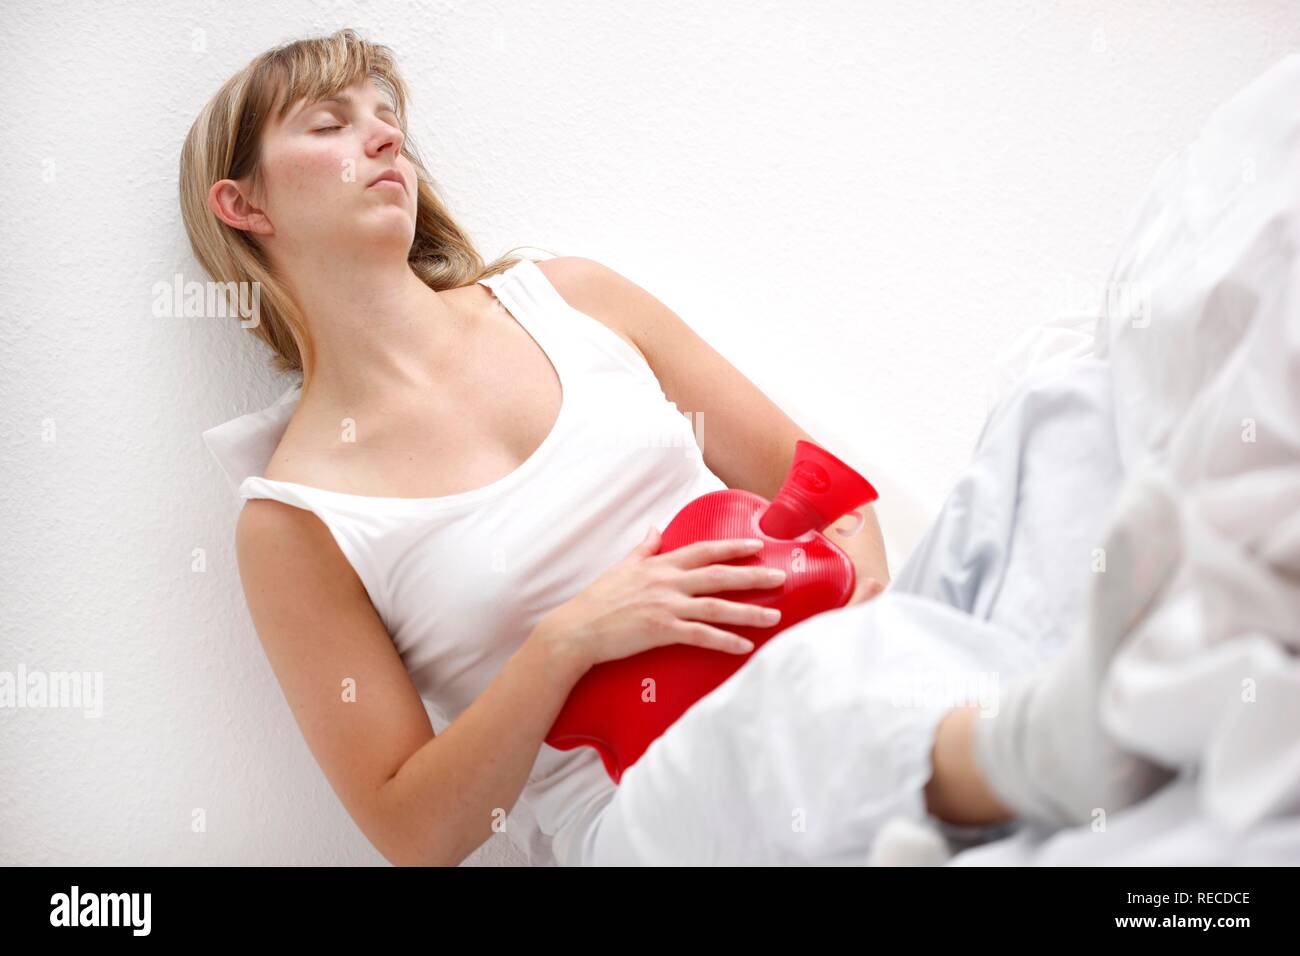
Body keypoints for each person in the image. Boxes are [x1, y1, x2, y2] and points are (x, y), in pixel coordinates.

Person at [185, 28, 939, 867]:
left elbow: (825, 487)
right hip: (655, 816)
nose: (385, 136)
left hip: (834, 703)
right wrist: (569, 639)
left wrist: (866, 609)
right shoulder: (298, 519)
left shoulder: (572, 300)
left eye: (387, 116)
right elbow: (415, 833)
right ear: (244, 206)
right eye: (329, 126)